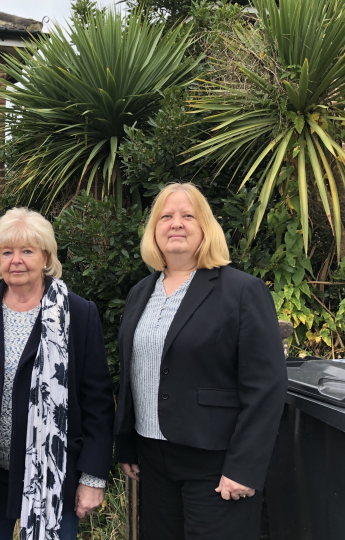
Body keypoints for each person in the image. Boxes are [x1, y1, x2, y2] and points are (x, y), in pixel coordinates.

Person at [114, 183, 288, 540]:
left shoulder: (241, 291)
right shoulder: (139, 293)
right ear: (154, 230)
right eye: (166, 216)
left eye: (187, 216)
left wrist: (245, 467)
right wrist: (128, 444)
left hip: (216, 464)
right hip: (153, 460)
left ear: (206, 228)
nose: (176, 223)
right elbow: (133, 373)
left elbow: (266, 386)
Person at [0, 208, 114, 540]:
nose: (16, 260)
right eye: (7, 252)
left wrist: (93, 478)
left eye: (27, 251)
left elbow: (97, 403)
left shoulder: (79, 314)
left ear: (45, 256)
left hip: (53, 477)